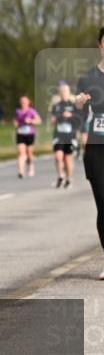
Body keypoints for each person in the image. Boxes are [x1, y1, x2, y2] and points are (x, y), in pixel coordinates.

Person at [74, 26, 104, 280]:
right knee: (103, 205)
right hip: (96, 148)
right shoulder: (88, 78)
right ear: (100, 45)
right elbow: (79, 115)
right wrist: (79, 103)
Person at [50, 81, 78, 189]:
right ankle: (61, 176)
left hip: (70, 136)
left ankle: (69, 179)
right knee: (58, 157)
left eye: (65, 91)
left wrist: (71, 116)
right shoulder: (56, 106)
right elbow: (52, 119)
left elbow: (79, 120)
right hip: (58, 135)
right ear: (59, 93)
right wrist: (55, 118)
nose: (63, 93)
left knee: (68, 159)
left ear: (69, 92)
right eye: (61, 91)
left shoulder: (74, 105)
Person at [14, 95, 41, 179]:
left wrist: (31, 121)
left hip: (30, 134)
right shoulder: (18, 111)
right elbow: (15, 121)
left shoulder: (31, 111)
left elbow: (39, 121)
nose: (23, 103)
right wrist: (16, 123)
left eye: (25, 101)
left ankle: (30, 166)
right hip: (20, 133)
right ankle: (21, 171)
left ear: (28, 102)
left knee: (29, 154)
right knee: (21, 153)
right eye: (22, 102)